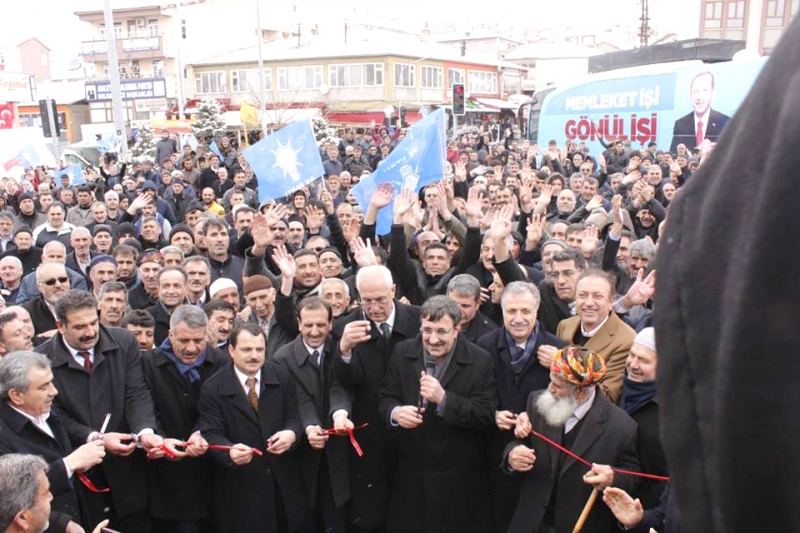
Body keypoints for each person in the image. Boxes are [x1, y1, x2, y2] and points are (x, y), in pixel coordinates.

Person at [35, 290, 163, 532]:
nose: (91, 332)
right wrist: (96, 438)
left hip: (128, 469)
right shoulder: (41, 359)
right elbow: (55, 416)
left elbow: (136, 392)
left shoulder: (124, 341)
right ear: (60, 325)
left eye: (94, 322)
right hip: (84, 476)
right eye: (80, 327)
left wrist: (145, 431)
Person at [378, 295, 497, 533]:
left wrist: (445, 400)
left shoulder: (480, 360)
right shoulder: (403, 352)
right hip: (410, 476)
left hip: (458, 481)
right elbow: (385, 397)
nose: (433, 339)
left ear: (457, 329)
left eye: (441, 332)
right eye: (427, 330)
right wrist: (396, 412)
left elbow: (485, 413)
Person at [505, 346, 639, 533]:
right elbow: (520, 441)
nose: (549, 389)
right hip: (530, 523)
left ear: (580, 392)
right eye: (550, 381)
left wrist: (613, 477)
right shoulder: (537, 401)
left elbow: (633, 477)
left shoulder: (622, 426)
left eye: (557, 386)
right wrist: (513, 454)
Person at [329, 265, 421, 532]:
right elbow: (343, 381)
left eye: (380, 299)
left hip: (413, 429)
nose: (374, 307)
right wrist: (344, 350)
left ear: (393, 291)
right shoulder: (346, 327)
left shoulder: (417, 320)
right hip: (369, 432)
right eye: (367, 300)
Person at [196, 324, 307, 533]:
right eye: (247, 350)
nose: (254, 356)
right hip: (240, 490)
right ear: (231, 350)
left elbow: (295, 416)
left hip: (282, 485)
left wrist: (291, 434)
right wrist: (229, 450)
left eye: (260, 349)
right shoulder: (213, 388)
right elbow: (211, 433)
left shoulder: (282, 376)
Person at [476, 281, 566, 532]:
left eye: (525, 311)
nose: (518, 319)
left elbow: (571, 400)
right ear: (502, 311)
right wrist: (491, 414)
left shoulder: (557, 348)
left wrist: (559, 367)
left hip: (541, 455)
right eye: (511, 311)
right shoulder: (485, 346)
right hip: (495, 453)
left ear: (536, 311)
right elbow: (474, 394)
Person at [141, 305, 227, 532]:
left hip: (211, 471)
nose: (191, 348)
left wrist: (202, 431)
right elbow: (144, 407)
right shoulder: (149, 363)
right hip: (166, 474)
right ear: (170, 336)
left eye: (198, 341)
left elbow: (222, 407)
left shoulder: (220, 361)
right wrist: (158, 438)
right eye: (184, 340)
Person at [0, 352, 106, 532]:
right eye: (43, 387)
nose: (54, 391)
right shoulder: (4, 435)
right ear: (16, 395)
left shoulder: (45, 410)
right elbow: (13, 496)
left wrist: (88, 447)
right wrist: (69, 464)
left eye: (51, 382)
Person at [274, 297, 350, 533]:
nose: (315, 331)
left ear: (330, 324)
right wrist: (310, 427)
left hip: (338, 451)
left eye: (320, 325)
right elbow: (296, 399)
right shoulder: (282, 357)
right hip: (302, 453)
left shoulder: (341, 348)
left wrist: (339, 414)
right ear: (298, 324)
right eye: (308, 325)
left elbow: (343, 386)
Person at [556, 269, 636, 402]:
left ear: (611, 301)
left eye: (597, 296)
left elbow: (607, 396)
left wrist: (562, 365)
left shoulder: (626, 340)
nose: (588, 302)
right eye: (582, 295)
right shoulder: (565, 326)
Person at [669, 71, 731, 154]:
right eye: (696, 91)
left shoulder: (725, 122)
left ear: (712, 93)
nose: (699, 97)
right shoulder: (681, 124)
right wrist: (698, 150)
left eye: (705, 90)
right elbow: (674, 155)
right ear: (690, 95)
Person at [144, 266, 189, 346]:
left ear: (186, 290)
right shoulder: (146, 317)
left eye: (176, 286)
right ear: (158, 290)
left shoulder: (198, 317)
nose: (171, 291)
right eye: (166, 286)